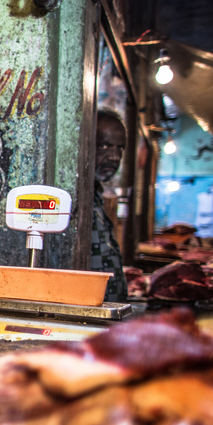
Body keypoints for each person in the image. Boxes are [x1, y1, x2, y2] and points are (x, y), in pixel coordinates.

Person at [90, 108, 129, 302]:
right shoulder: (73, 198)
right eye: (104, 146)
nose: (114, 157)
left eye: (120, 148)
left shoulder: (95, 196)